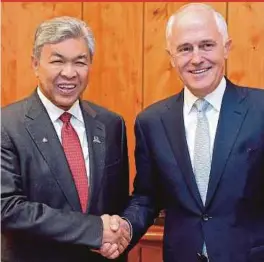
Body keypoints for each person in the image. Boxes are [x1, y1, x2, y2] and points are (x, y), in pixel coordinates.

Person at [121, 3, 264, 262]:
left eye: (207, 45)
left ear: (226, 48)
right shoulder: (151, 122)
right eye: (185, 48)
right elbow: (147, 196)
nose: (196, 58)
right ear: (171, 56)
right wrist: (125, 229)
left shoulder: (260, 110)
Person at [1, 16, 130, 262]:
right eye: (57, 61)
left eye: (80, 62)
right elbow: (7, 208)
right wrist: (92, 230)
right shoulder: (6, 125)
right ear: (35, 64)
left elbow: (117, 205)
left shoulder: (112, 124)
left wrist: (118, 235)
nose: (69, 73)